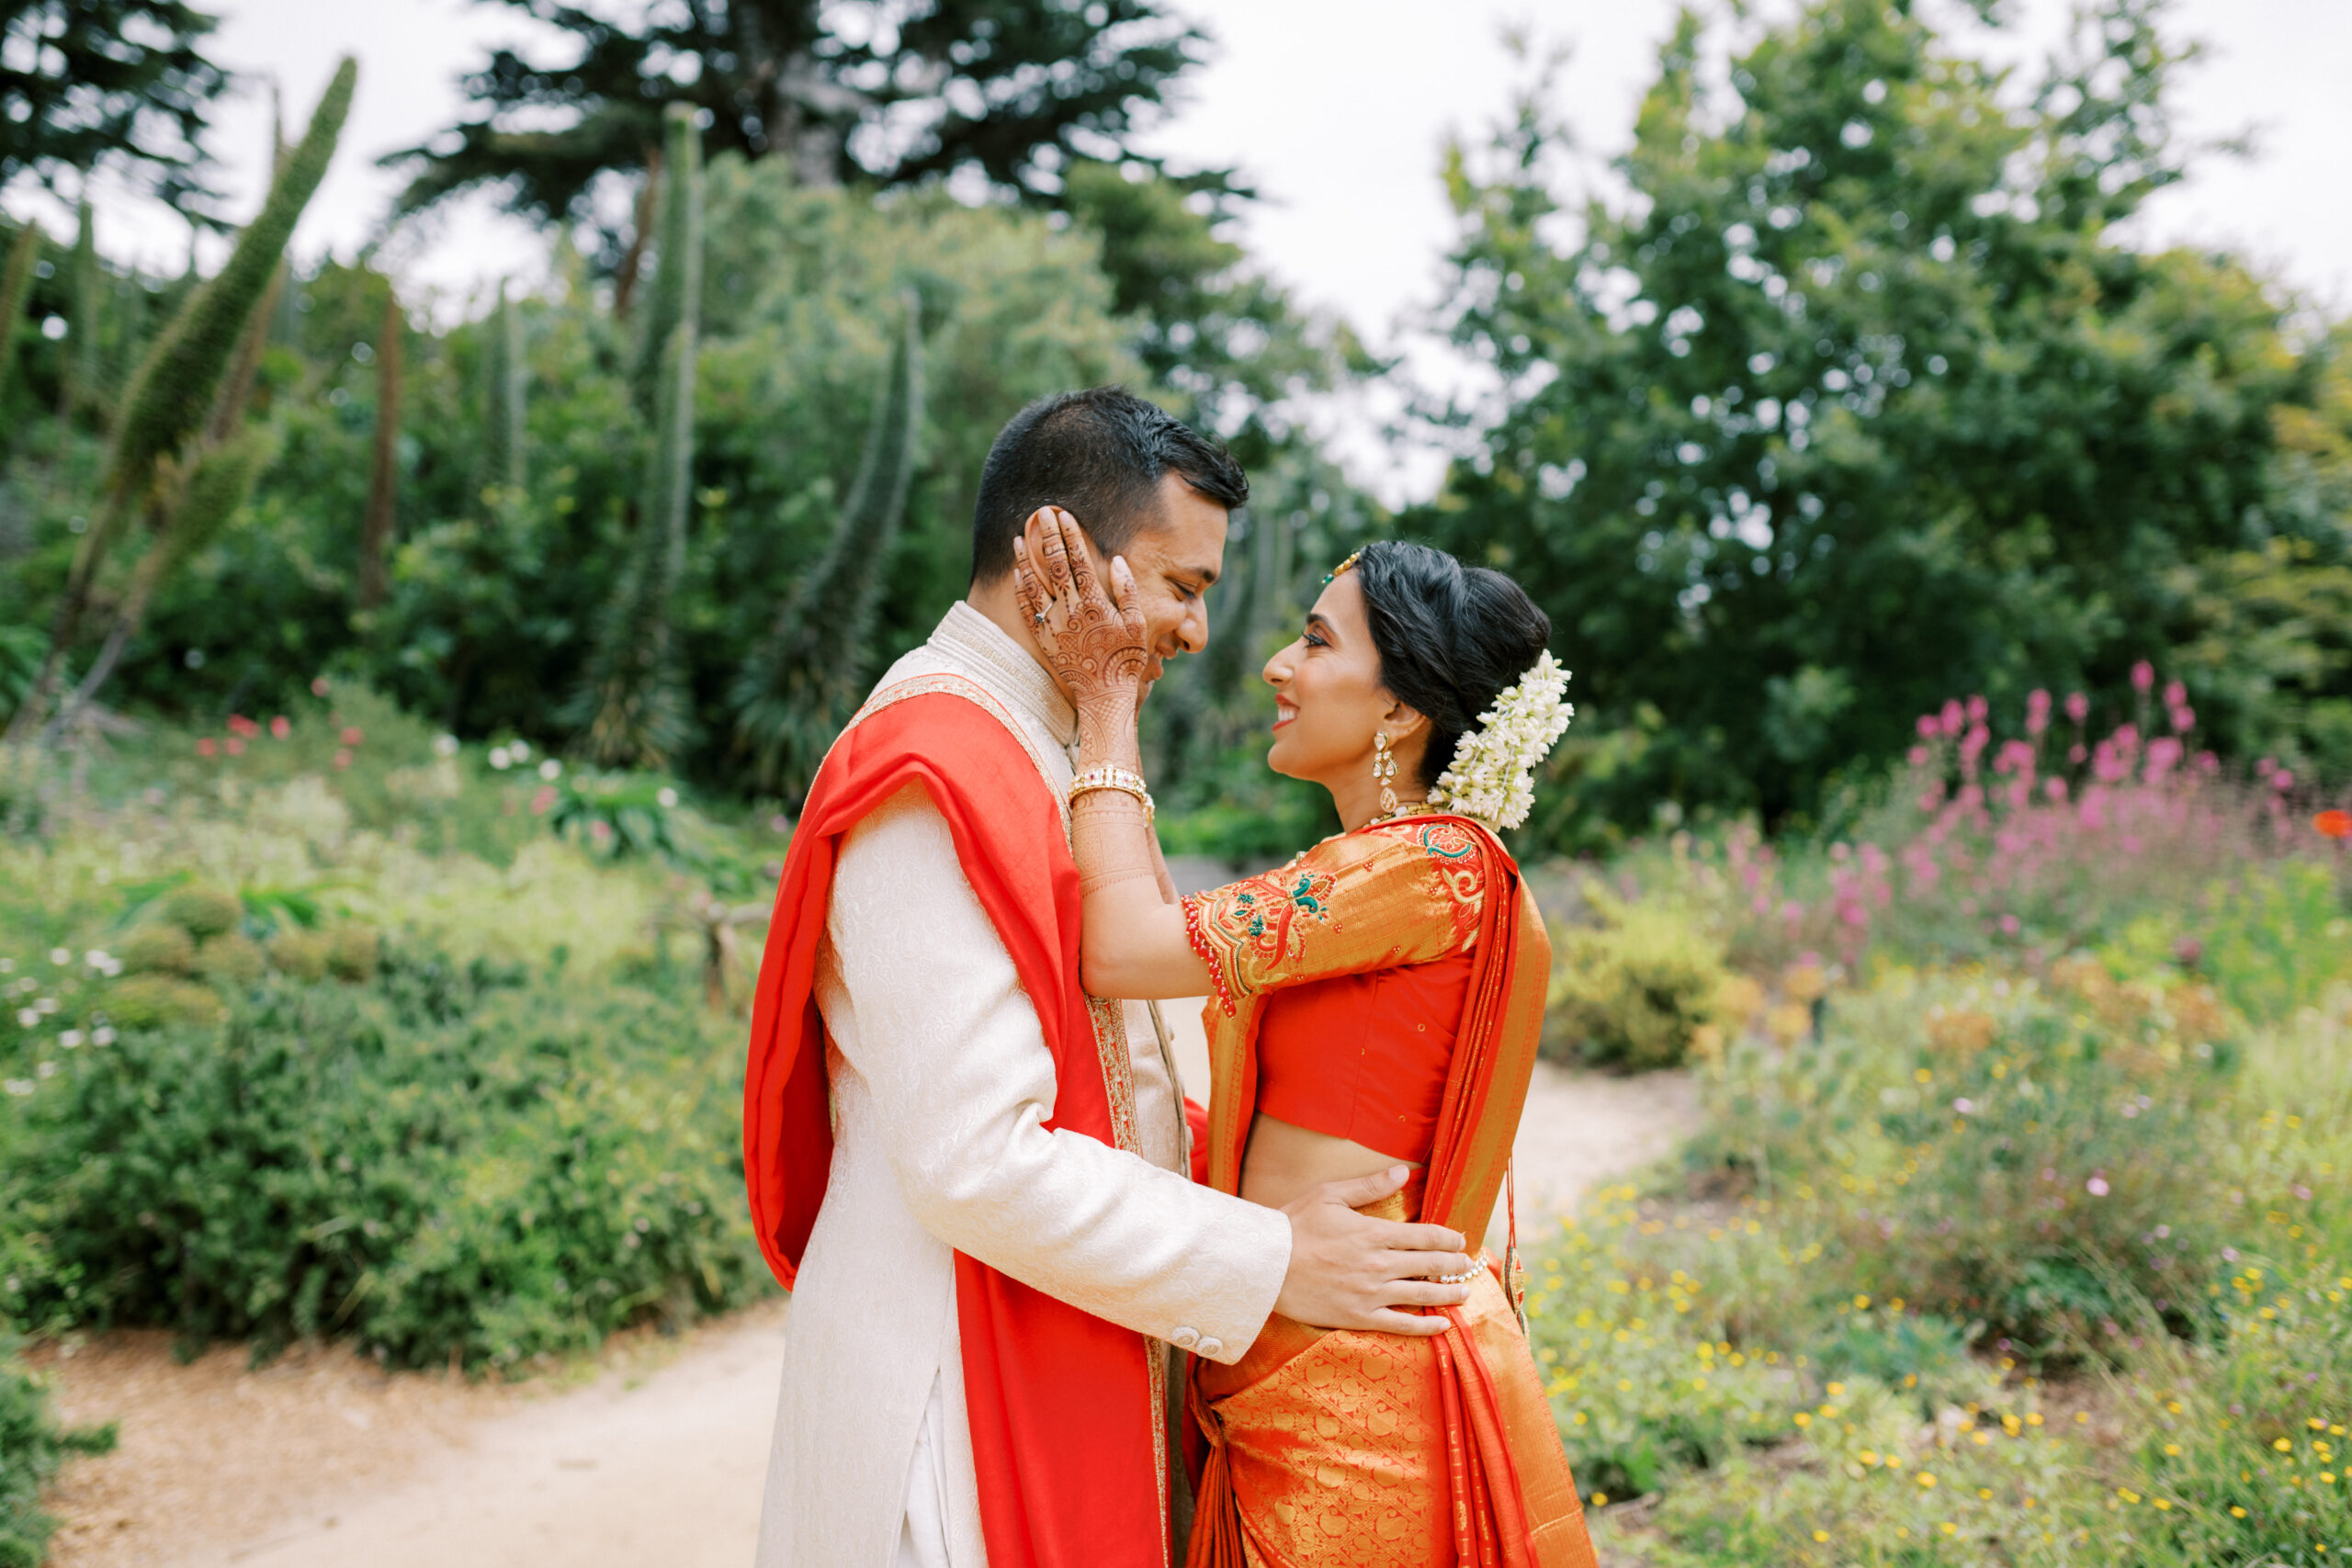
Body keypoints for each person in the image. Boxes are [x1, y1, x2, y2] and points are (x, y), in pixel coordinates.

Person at [743, 389, 1484, 1568]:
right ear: (1058, 553)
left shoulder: (1048, 740)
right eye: (1183, 586)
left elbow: (1111, 1069)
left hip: (1034, 1327)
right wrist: (1275, 1258)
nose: (1199, 634)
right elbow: (974, 1159)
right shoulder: (932, 759)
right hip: (947, 1390)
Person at [1015, 518, 1600, 1568]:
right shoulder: (1390, 866)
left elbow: (1118, 949)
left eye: (1318, 641)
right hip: (1312, 1360)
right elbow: (1164, 934)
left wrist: (1105, 709)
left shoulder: (1423, 864)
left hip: (1352, 1399)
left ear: (1401, 704)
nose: (1279, 666)